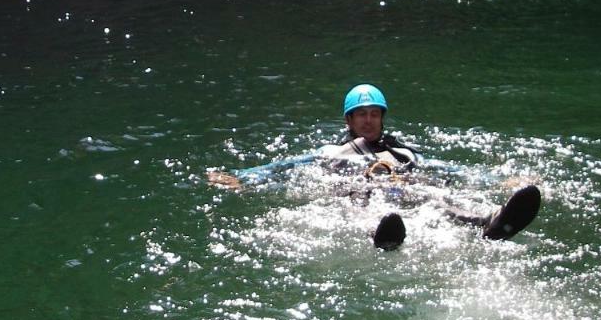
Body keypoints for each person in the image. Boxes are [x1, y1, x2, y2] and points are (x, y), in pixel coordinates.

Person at [207, 83, 542, 250]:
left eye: (374, 114)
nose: (368, 121)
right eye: (362, 115)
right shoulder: (333, 151)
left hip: (403, 188)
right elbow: (286, 165)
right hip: (358, 191)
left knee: (434, 199)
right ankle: (382, 235)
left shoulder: (402, 152)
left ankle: (491, 222)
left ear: (382, 118)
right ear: (349, 120)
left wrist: (497, 180)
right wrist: (242, 178)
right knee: (361, 204)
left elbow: (448, 168)